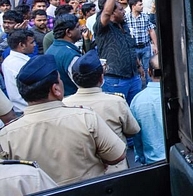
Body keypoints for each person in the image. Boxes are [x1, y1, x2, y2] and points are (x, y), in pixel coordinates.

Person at [0, 55, 127, 186]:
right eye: (60, 80)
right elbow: (117, 156)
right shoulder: (85, 117)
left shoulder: (6, 136)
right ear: (56, 89)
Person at [64, 50, 141, 173]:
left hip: (82, 171)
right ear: (101, 77)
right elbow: (133, 130)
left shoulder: (65, 105)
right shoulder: (116, 102)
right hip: (116, 168)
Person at [94, 0, 144, 104]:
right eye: (121, 9)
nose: (124, 11)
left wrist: (139, 66)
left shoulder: (124, 25)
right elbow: (105, 12)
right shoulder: (103, 27)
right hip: (115, 80)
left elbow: (130, 47)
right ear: (112, 12)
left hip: (133, 77)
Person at [130, 55, 166, 165]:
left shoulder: (138, 101)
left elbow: (136, 136)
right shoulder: (181, 96)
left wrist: (141, 157)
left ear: (149, 72)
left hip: (152, 162)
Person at [45, 14, 89, 96]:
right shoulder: (70, 55)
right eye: (77, 26)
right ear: (68, 32)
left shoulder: (52, 48)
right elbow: (83, 85)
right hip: (72, 101)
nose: (81, 29)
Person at [125, 0, 158, 85]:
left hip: (145, 47)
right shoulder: (126, 18)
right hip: (133, 48)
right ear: (133, 6)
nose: (142, 6)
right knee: (135, 69)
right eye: (140, 5)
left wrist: (155, 45)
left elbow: (151, 30)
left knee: (147, 68)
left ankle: (148, 87)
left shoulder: (145, 16)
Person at [2, 30, 35, 113]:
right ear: (22, 45)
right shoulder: (22, 64)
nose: (34, 45)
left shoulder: (7, 61)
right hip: (28, 109)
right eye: (31, 43)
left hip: (20, 108)